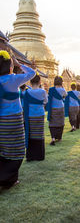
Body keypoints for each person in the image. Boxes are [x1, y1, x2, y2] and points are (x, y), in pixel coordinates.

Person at [0, 50, 35, 188]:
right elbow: (32, 74)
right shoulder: (13, 79)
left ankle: (5, 177)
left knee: (4, 148)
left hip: (1, 121)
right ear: (10, 66)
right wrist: (19, 64)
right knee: (16, 148)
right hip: (14, 120)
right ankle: (9, 178)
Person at [24, 74, 48, 161]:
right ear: (39, 82)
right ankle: (39, 156)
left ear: (30, 82)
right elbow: (46, 101)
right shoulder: (42, 92)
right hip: (40, 115)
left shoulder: (27, 92)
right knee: (39, 134)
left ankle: (30, 156)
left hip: (30, 115)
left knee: (31, 134)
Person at [47, 76, 67, 145]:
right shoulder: (63, 90)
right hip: (61, 107)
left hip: (53, 108)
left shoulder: (51, 89)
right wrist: (63, 87)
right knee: (60, 122)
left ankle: (53, 138)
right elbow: (65, 95)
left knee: (52, 123)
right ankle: (59, 137)